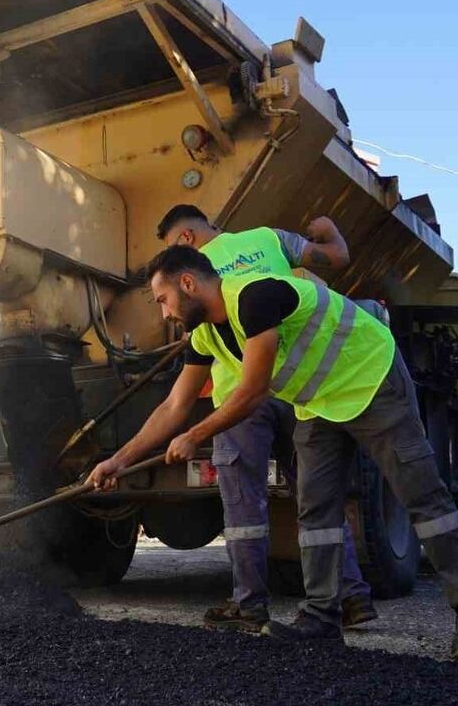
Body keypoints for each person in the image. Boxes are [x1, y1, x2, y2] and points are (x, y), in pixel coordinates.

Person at [90, 246, 458, 661]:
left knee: (424, 500)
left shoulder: (255, 297)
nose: (164, 313)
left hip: (371, 381)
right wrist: (118, 461)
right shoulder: (206, 335)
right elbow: (172, 406)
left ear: (188, 284)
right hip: (319, 404)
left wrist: (196, 435)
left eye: (163, 300)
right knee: (316, 510)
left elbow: (252, 391)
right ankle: (322, 618)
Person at [140, 205, 375, 632]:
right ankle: (351, 596)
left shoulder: (192, 276)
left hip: (239, 400)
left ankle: (249, 605)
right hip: (295, 387)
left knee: (245, 504)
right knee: (317, 498)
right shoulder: (269, 238)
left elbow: (178, 399)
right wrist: (328, 229)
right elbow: (336, 257)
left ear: (187, 241)